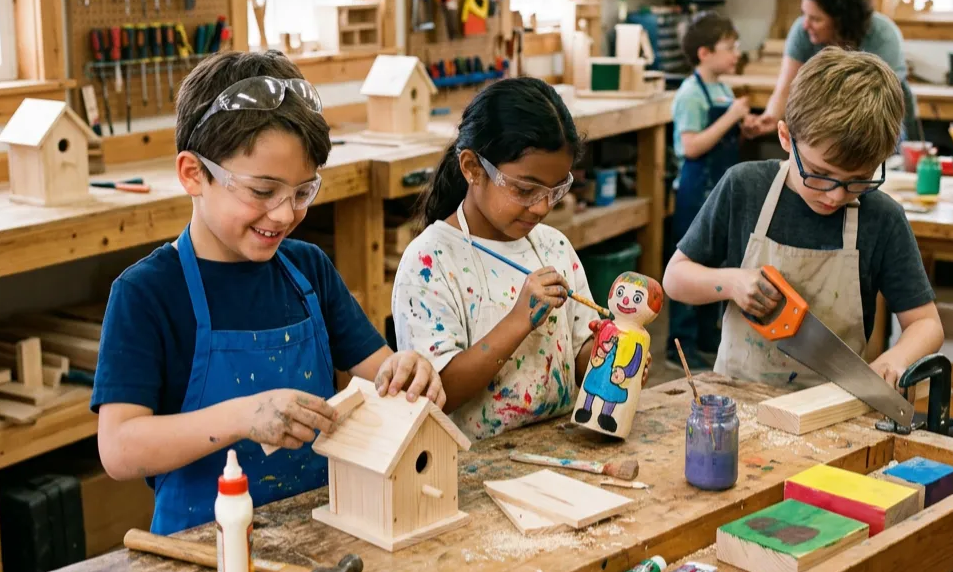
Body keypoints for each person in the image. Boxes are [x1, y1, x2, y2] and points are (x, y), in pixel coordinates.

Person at [92, 50, 444, 535]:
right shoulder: (147, 293)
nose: (283, 214)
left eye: (302, 192)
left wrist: (408, 371)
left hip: (323, 529)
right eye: (261, 191)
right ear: (193, 173)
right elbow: (119, 449)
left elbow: (381, 373)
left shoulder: (307, 270)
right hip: (204, 549)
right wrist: (243, 416)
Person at [663, 47, 943, 389]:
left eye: (858, 179)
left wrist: (893, 360)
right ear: (785, 137)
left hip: (832, 406)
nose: (835, 195)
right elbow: (675, 279)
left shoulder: (882, 218)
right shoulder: (744, 188)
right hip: (736, 401)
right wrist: (732, 283)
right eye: (820, 175)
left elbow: (927, 324)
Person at [392, 78, 602, 440]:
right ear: (473, 168)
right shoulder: (430, 263)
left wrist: (610, 356)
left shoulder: (554, 247)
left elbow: (580, 351)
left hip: (560, 446)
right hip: (470, 466)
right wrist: (520, 320)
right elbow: (437, 395)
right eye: (524, 189)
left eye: (555, 190)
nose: (542, 206)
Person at [667, 12, 753, 371]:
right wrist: (732, 117)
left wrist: (747, 126)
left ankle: (705, 337)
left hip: (719, 191)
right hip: (695, 190)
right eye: (729, 48)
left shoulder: (722, 88)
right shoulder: (691, 94)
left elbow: (725, 133)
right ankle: (680, 344)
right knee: (691, 263)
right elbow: (692, 147)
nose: (736, 54)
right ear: (704, 53)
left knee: (715, 264)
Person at [750, 0, 917, 140]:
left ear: (841, 20)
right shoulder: (803, 30)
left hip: (880, 116)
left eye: (816, 19)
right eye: (803, 14)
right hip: (829, 117)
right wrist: (770, 117)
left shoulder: (882, 34)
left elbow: (878, 100)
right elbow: (785, 88)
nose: (806, 24)